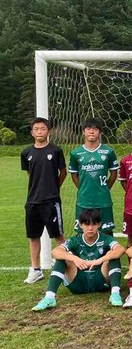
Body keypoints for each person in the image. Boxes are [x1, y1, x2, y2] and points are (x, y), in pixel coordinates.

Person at [31, 209, 124, 311]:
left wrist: (99, 260)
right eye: (86, 224)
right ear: (80, 225)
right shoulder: (75, 240)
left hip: (100, 281)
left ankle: (115, 294)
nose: (90, 228)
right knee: (62, 258)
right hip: (78, 282)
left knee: (113, 255)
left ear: (99, 225)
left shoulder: (106, 238)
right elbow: (55, 252)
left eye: (94, 224)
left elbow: (120, 249)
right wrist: (75, 259)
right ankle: (49, 297)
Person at [21, 117, 67, 284]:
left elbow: (63, 172)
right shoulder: (26, 153)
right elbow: (30, 173)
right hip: (32, 201)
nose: (40, 132)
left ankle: (65, 266)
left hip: (51, 201)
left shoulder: (56, 151)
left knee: (58, 235)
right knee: (33, 236)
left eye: (43, 129)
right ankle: (35, 270)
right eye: (36, 129)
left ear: (49, 131)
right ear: (32, 132)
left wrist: (53, 187)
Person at [68, 117, 118, 235]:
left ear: (100, 132)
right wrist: (83, 188)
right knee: (82, 233)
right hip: (84, 200)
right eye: (88, 129)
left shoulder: (108, 152)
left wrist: (105, 188)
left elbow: (113, 174)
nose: (91, 131)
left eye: (95, 129)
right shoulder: (76, 153)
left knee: (106, 233)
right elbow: (74, 175)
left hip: (103, 200)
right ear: (83, 131)